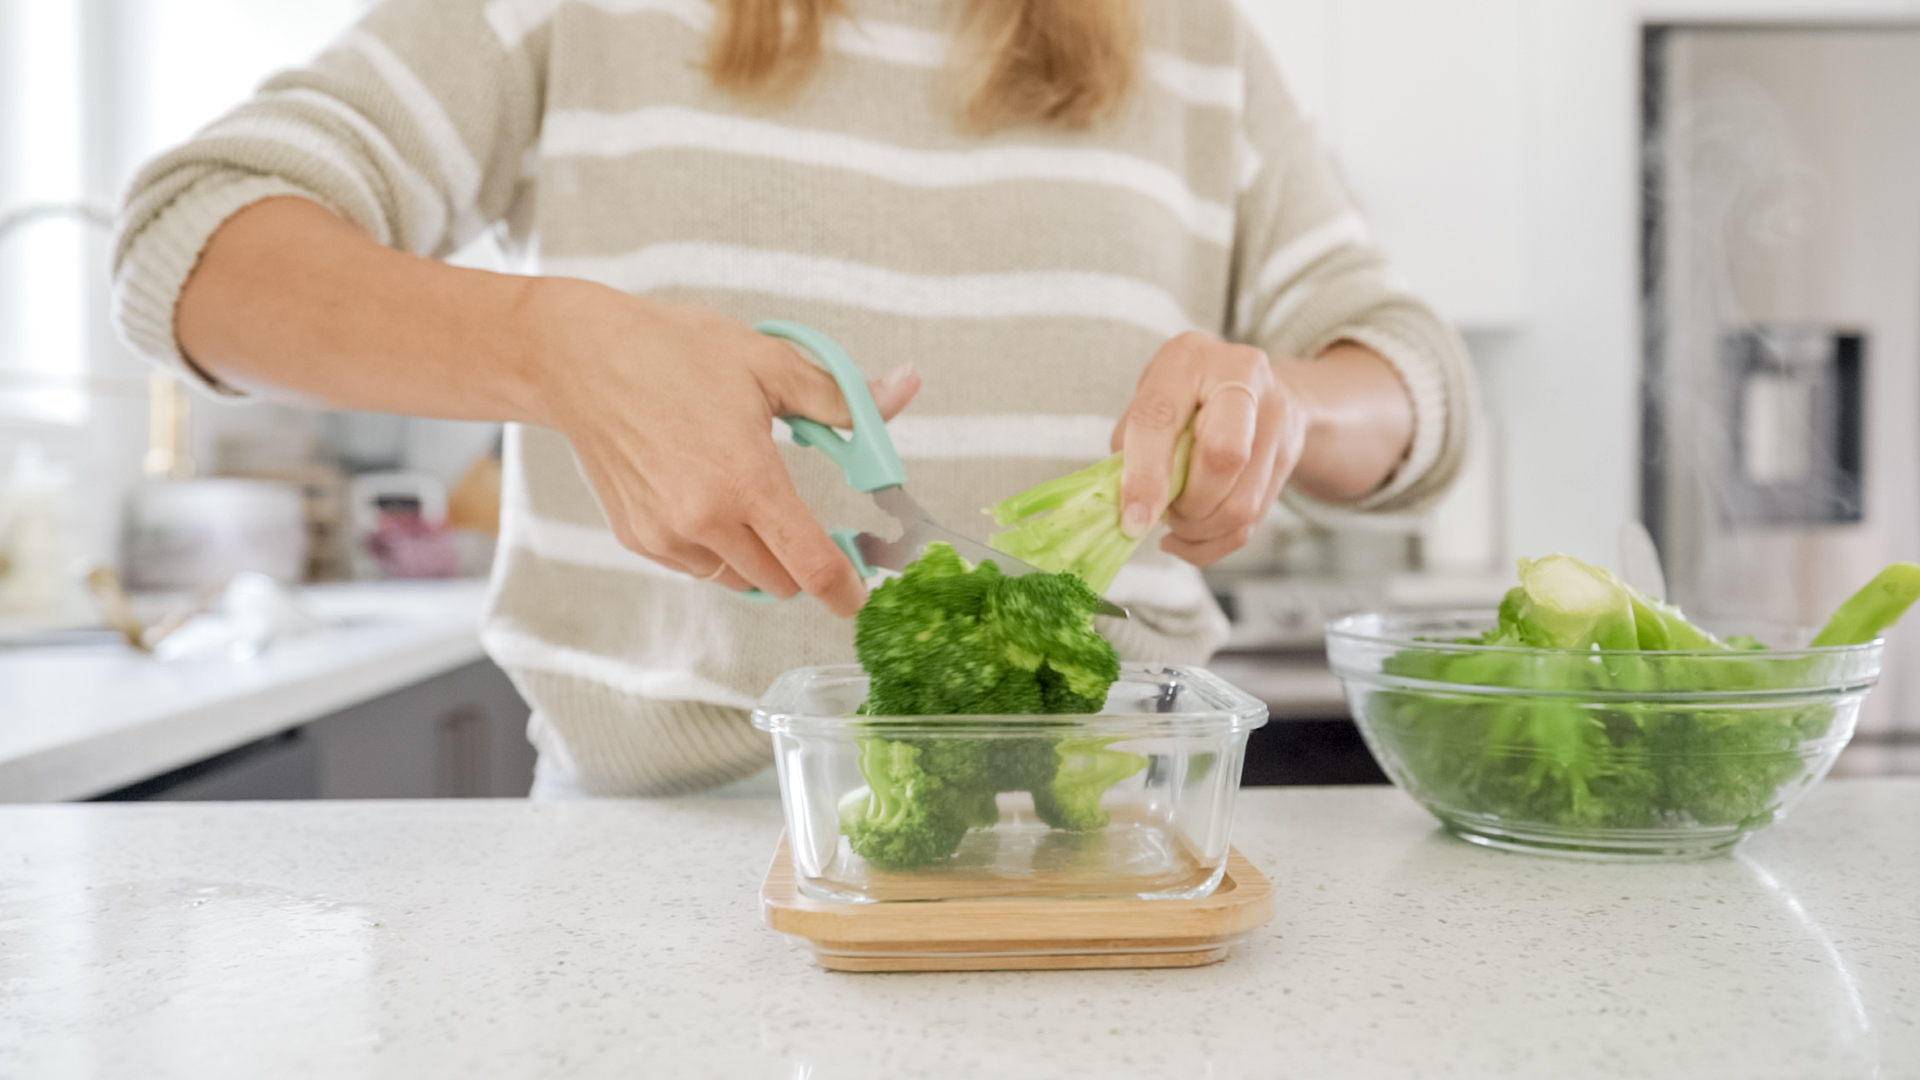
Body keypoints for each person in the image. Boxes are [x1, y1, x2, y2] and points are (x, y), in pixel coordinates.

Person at [113, 0, 1475, 798]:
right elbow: (193, 243)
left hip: (1116, 847)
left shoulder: (1195, 45)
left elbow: (1411, 379)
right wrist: (555, 346)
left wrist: (1283, 401)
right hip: (647, 878)